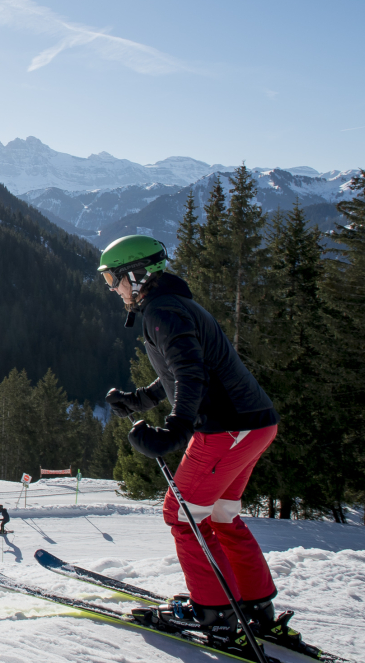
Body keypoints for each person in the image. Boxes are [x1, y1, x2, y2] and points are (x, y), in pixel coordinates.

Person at [99, 235, 303, 655]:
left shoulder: (162, 313)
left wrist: (175, 431)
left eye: (112, 278)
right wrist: (139, 399)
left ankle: (212, 612)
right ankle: (255, 605)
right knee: (223, 515)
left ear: (136, 276)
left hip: (225, 429)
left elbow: (192, 376)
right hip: (256, 424)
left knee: (182, 513)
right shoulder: (173, 307)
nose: (112, 288)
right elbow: (180, 371)